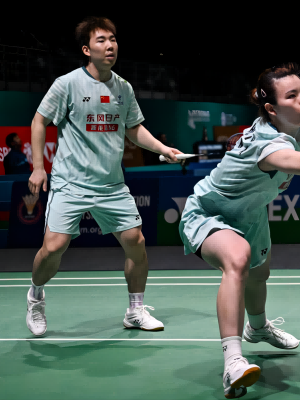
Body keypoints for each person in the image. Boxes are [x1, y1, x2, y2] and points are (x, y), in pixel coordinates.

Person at [178, 63, 300, 398]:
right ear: (271, 108)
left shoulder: (294, 132)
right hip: (210, 212)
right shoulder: (266, 142)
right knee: (238, 259)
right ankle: (233, 362)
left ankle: (257, 329)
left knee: (259, 274)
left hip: (251, 214)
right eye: (292, 95)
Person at [26, 16, 183, 337]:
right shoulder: (67, 84)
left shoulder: (123, 87)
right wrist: (39, 167)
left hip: (111, 185)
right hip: (71, 182)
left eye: (112, 39)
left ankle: (135, 310)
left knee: (136, 243)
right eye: (101, 40)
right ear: (86, 49)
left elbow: (133, 128)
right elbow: (39, 121)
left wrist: (162, 148)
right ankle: (35, 296)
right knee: (53, 247)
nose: (110, 45)